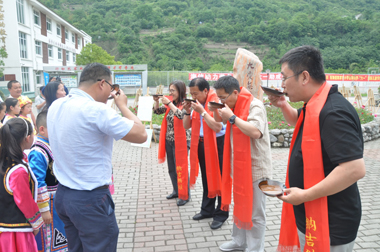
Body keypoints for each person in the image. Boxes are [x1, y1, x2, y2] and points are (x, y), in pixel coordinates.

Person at [267, 45, 366, 252]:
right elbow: (301, 123)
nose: (282, 84)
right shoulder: (314, 104)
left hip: (331, 223)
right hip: (312, 213)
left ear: (304, 77)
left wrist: (304, 195)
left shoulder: (333, 113)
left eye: (284, 77)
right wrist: (283, 105)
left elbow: (354, 169)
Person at [47, 63, 147, 252]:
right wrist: (123, 106)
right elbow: (141, 134)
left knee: (76, 248)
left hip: (64, 195)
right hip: (90, 199)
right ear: (102, 83)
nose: (111, 93)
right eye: (111, 87)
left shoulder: (57, 105)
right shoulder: (96, 110)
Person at [213, 76, 272, 252]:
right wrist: (217, 109)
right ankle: (238, 241)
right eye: (219, 98)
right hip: (239, 168)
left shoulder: (255, 105)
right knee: (240, 205)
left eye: (223, 97)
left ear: (236, 92)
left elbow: (255, 131)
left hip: (256, 170)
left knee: (256, 213)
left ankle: (255, 248)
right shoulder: (234, 105)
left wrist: (232, 118)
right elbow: (221, 121)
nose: (222, 101)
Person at [182, 77, 229, 229]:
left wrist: (202, 112)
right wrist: (187, 111)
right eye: (191, 93)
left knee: (221, 179)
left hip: (218, 145)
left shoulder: (216, 103)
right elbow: (186, 126)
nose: (193, 97)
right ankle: (207, 209)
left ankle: (221, 213)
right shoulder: (197, 105)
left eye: (196, 93)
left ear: (206, 91)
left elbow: (217, 127)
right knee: (207, 178)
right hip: (202, 144)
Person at [0, 117, 43, 252]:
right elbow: (25, 201)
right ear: (27, 138)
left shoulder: (4, 163)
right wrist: (36, 223)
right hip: (16, 231)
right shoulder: (18, 170)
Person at [28, 111, 68, 251]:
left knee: (58, 233)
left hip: (56, 200)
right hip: (48, 203)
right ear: (42, 129)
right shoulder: (38, 151)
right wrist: (44, 209)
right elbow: (38, 182)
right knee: (49, 237)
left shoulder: (49, 145)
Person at [155, 80, 191, 206]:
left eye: (173, 90)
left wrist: (169, 103)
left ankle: (185, 195)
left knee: (180, 167)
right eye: (169, 90)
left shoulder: (186, 103)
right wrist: (156, 101)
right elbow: (157, 112)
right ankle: (176, 191)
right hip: (169, 140)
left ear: (180, 91)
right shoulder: (171, 104)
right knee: (172, 168)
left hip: (181, 141)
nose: (170, 93)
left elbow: (181, 115)